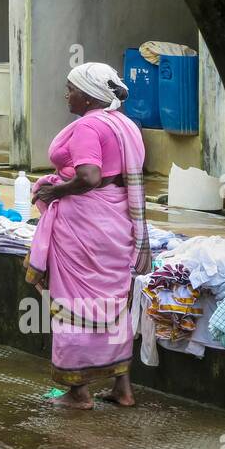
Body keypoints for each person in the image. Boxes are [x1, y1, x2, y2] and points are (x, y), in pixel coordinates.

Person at [25, 62, 151, 410]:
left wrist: (56, 192)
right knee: (113, 302)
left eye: (71, 88)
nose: (66, 94)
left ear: (88, 95)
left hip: (85, 222)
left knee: (74, 305)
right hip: (116, 220)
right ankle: (122, 388)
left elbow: (89, 176)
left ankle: (78, 392)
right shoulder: (126, 125)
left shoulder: (88, 127)